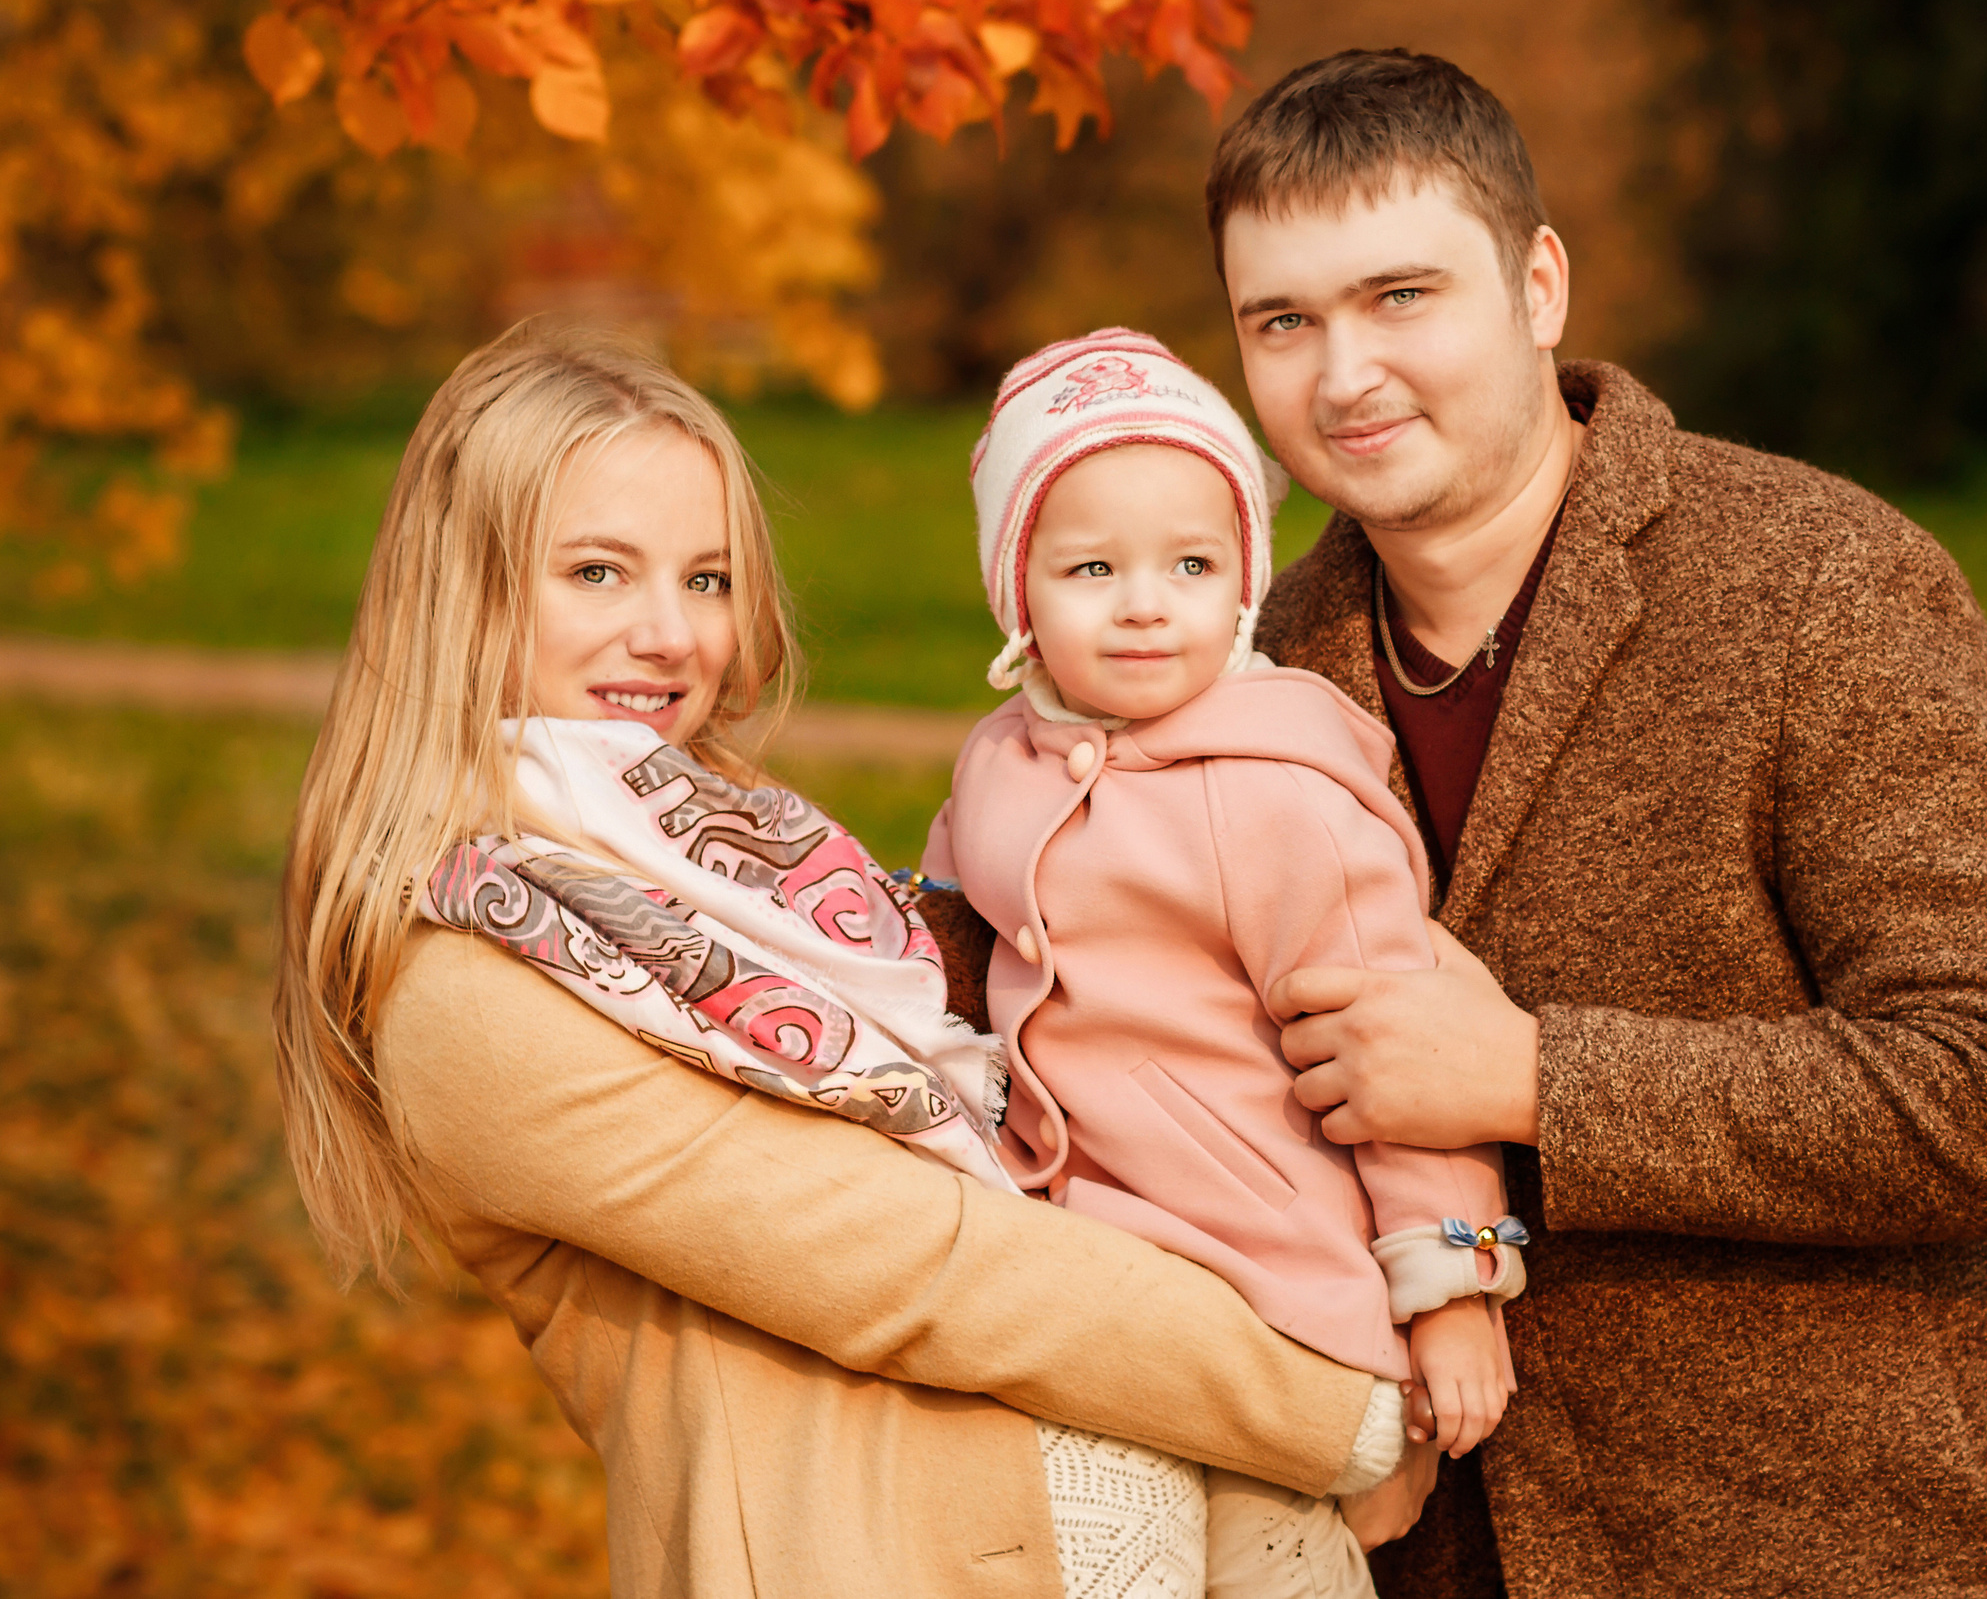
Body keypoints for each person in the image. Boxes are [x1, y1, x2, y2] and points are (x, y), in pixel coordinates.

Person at [270, 325, 1421, 1599]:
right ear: (464, 588)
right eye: (597, 573)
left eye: (705, 580)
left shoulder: (736, 863)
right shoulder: (467, 983)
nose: (667, 633)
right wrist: (1341, 1409)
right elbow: (914, 1267)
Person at [1220, 50, 1987, 1595]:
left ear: (1540, 284)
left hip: (1865, 1544)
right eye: (1282, 321)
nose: (1344, 373)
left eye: (1401, 296)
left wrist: (1529, 1077)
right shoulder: (1257, 659)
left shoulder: (1818, 583)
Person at [923, 330, 1531, 1594]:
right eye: (1092, 568)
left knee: (1278, 1565)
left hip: (1272, 1278)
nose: (1146, 603)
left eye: (1192, 566)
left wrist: (1451, 1287)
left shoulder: (1278, 794)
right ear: (1015, 591)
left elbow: (1400, 1040)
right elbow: (945, 923)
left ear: (1242, 584)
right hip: (1093, 1262)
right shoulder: (999, 761)